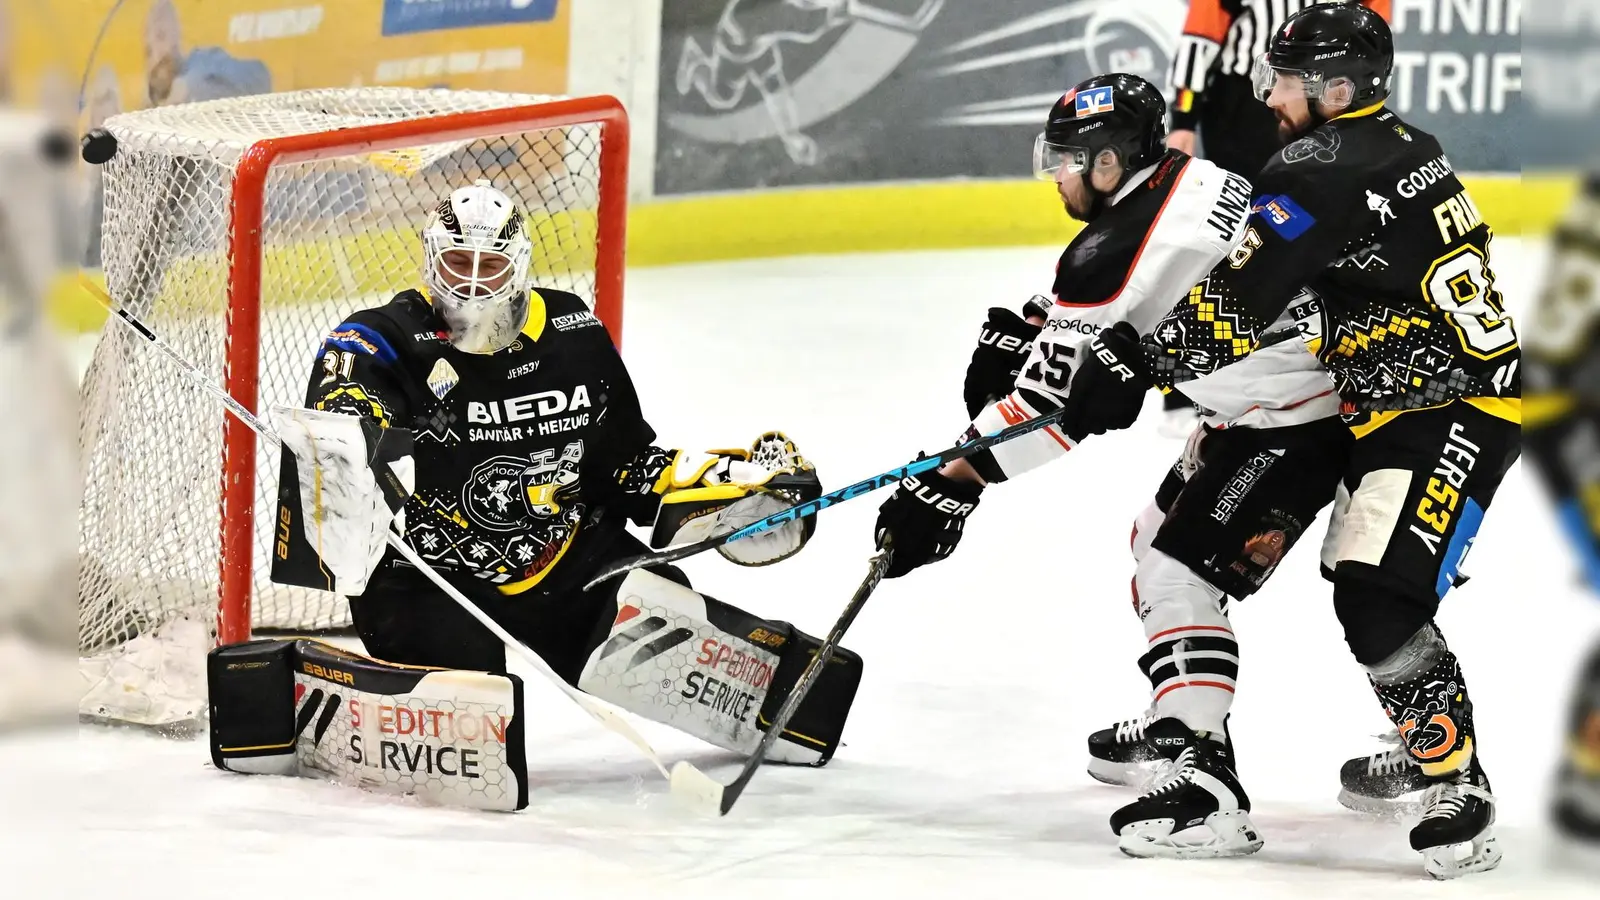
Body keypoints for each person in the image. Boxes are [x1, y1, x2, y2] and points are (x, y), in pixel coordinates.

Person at [1038, 5, 1518, 878]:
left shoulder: (1315, 166)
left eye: (1286, 82)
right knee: (1327, 573)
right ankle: (1408, 741)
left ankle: (1458, 780)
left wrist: (1141, 359)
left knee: (1375, 593)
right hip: (1388, 406)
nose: (1269, 95)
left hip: (1448, 412)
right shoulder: (1405, 143)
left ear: (1335, 88)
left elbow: (1236, 302)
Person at [878, 71, 1358, 860]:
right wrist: (1041, 320)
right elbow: (1136, 286)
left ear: (1108, 165)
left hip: (1294, 422)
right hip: (1290, 399)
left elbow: (1054, 412)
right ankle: (1180, 718)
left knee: (1177, 569)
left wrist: (945, 482)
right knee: (1155, 540)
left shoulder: (1110, 253)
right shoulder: (1196, 173)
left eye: (1067, 160)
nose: (1057, 176)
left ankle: (1204, 785)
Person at [278, 180, 863, 768]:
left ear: (521, 263)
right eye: (459, 261)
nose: (474, 280)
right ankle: (302, 698)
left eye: (492, 263)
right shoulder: (377, 338)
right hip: (428, 575)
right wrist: (360, 432)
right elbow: (336, 437)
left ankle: (770, 691)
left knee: (663, 614)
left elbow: (622, 463)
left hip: (563, 559)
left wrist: (712, 485)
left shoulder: (573, 331)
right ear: (433, 258)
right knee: (469, 734)